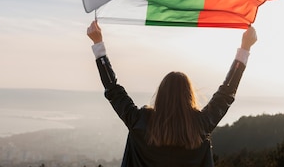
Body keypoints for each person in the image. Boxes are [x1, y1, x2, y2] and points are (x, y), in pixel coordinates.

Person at [87, 20, 258, 167]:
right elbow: (226, 93)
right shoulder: (200, 125)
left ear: (160, 94)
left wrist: (98, 44)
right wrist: (245, 48)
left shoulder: (140, 121)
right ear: (189, 96)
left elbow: (113, 89)